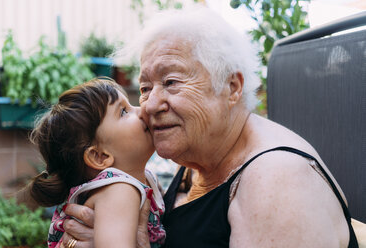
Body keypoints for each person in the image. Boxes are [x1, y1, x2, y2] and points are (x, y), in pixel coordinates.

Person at [61, 7, 359, 248]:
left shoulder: (277, 182)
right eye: (145, 87)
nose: (150, 105)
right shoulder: (198, 155)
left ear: (231, 87)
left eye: (171, 82)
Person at [28, 78, 165, 248]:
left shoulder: (143, 180)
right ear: (99, 157)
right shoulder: (119, 190)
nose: (142, 110)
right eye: (123, 112)